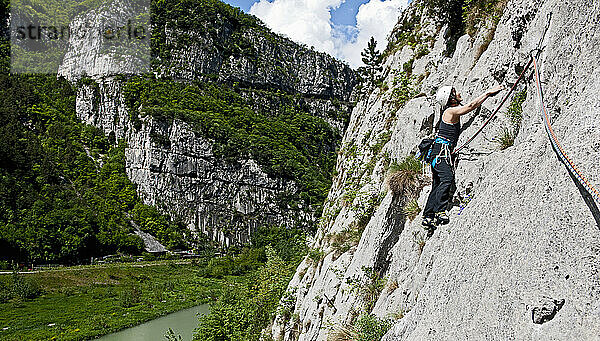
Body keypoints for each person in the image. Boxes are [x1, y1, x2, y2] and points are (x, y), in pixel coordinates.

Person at [422, 84, 504, 230]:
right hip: (441, 152)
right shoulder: (450, 111)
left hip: (437, 152)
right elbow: (471, 106)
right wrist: (487, 93)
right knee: (447, 178)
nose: (459, 93)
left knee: (437, 184)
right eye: (455, 93)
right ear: (451, 98)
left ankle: (428, 216)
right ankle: (440, 211)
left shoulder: (448, 112)